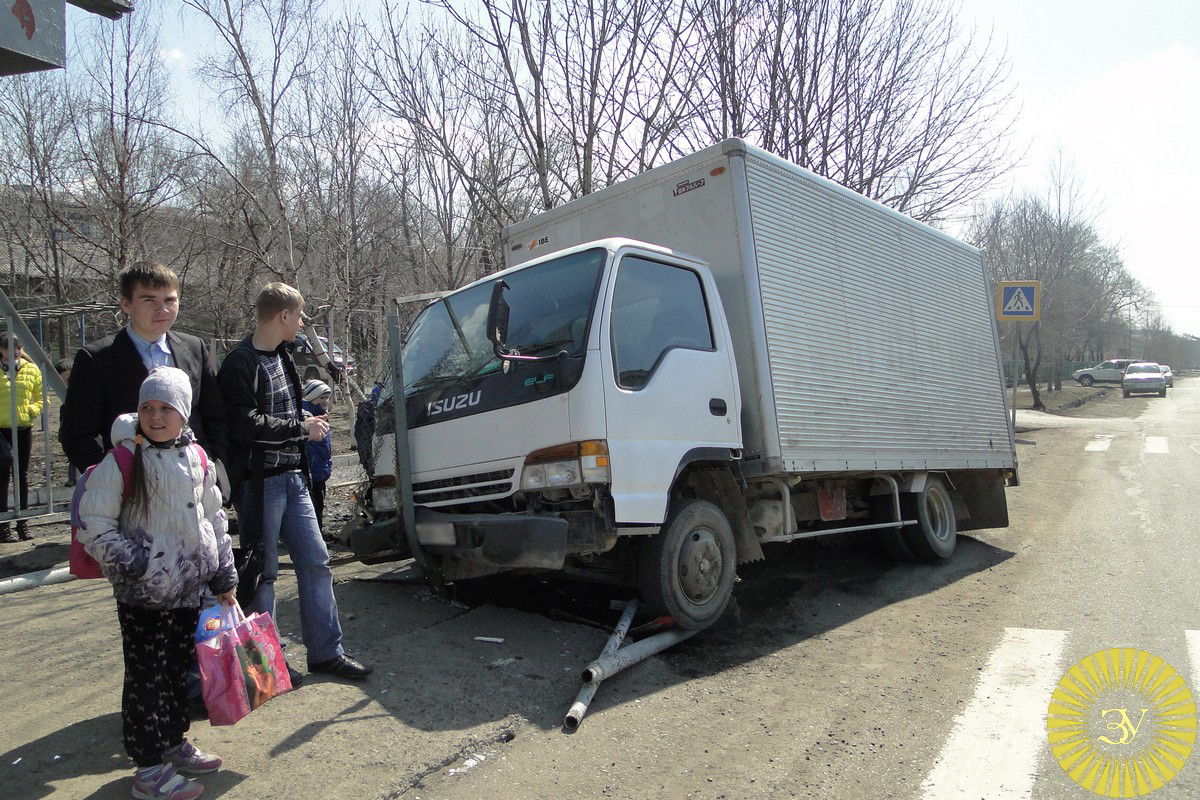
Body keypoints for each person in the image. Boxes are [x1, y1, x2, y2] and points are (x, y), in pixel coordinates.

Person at [77, 367, 236, 800]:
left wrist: (223, 571)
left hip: (187, 591)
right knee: (146, 680)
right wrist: (136, 564)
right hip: (143, 596)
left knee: (173, 675)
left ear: (183, 412)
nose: (156, 415)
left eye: (167, 407)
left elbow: (214, 518)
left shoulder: (197, 458)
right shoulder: (123, 460)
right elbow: (95, 527)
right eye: (147, 407)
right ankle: (148, 769)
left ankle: (172, 742)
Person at [218, 283, 372, 682]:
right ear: (283, 315)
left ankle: (326, 653)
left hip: (294, 479)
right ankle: (266, 666)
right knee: (263, 574)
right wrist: (301, 430)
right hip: (260, 483)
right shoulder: (240, 362)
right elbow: (243, 424)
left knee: (317, 563)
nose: (302, 323)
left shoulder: (283, 354)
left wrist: (303, 429)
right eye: (300, 316)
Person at [59, 261, 228, 478]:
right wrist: (113, 479)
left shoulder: (193, 348)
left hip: (194, 484)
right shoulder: (97, 359)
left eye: (170, 300)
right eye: (149, 300)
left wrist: (216, 471)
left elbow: (215, 417)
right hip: (133, 490)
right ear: (126, 304)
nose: (163, 309)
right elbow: (76, 435)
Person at [0, 336, 43, 543]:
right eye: (9, 347)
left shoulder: (31, 369)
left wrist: (31, 410)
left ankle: (23, 523)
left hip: (23, 427)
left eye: (18, 347)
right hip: (1, 429)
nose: (15, 351)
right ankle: (3, 526)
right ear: (1, 349)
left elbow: (41, 397)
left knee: (22, 475)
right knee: (3, 475)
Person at [301, 379, 333, 537]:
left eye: (327, 397)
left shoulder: (322, 415)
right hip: (311, 473)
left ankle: (317, 536)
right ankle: (314, 538)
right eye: (321, 397)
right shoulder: (307, 416)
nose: (325, 401)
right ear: (311, 397)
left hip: (319, 472)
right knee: (313, 508)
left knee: (318, 506)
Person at [55, 357, 78, 487]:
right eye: (62, 383)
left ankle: (75, 477)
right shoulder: (64, 405)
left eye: (69, 381)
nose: (66, 387)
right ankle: (72, 477)